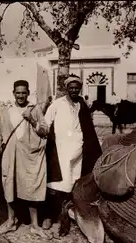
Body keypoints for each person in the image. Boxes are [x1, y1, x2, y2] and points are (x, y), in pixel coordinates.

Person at [43, 75, 102, 229]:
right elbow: (45, 124)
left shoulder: (82, 104)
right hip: (60, 150)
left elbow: (87, 126)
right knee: (55, 184)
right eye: (71, 87)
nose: (74, 90)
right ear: (66, 88)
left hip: (78, 150)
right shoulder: (57, 104)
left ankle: (68, 214)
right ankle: (50, 215)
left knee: (73, 183)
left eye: (77, 88)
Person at [0, 80, 51, 239]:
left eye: (23, 92)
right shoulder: (7, 111)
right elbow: (0, 132)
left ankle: (34, 225)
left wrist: (32, 120)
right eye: (18, 92)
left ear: (28, 93)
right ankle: (11, 221)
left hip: (29, 153)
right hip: (10, 153)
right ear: (13, 93)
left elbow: (46, 130)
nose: (20, 95)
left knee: (31, 185)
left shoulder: (35, 109)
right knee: (9, 185)